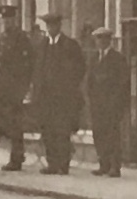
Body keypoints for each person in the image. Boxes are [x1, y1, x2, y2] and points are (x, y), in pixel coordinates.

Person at [27, 13, 88, 176]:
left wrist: (68, 87)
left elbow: (80, 68)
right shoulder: (42, 46)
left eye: (53, 25)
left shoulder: (70, 45)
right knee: (48, 131)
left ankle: (63, 164)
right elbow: (36, 70)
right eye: (48, 25)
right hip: (45, 98)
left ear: (59, 26)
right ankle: (52, 163)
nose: (50, 28)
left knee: (62, 131)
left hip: (63, 99)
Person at [0, 6, 34, 171]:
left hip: (14, 89)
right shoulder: (0, 39)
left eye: (9, 19)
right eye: (4, 19)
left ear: (14, 20)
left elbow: (28, 65)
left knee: (15, 124)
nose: (6, 22)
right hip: (0, 88)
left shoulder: (21, 39)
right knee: (0, 123)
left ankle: (16, 158)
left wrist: (23, 88)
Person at [86, 28, 130, 177]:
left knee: (112, 135)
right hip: (97, 104)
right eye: (98, 39)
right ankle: (103, 164)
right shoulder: (94, 58)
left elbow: (123, 83)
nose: (100, 42)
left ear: (108, 40)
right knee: (99, 134)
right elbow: (90, 80)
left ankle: (115, 166)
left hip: (111, 104)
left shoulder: (117, 58)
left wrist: (117, 103)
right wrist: (90, 99)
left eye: (103, 39)